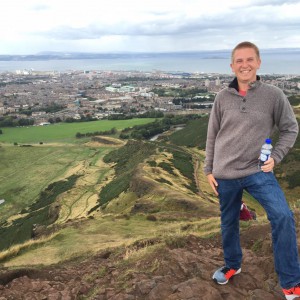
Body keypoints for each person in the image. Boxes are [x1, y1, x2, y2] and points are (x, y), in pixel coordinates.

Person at [204, 41, 300, 299]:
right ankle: (233, 265)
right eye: (239, 61)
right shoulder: (222, 97)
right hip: (224, 172)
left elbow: (291, 128)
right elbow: (212, 134)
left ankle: (291, 282)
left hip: (258, 171)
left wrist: (276, 157)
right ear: (232, 66)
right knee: (228, 222)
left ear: (258, 62)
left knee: (282, 216)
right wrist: (208, 169)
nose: (244, 65)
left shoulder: (273, 95)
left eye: (249, 60)